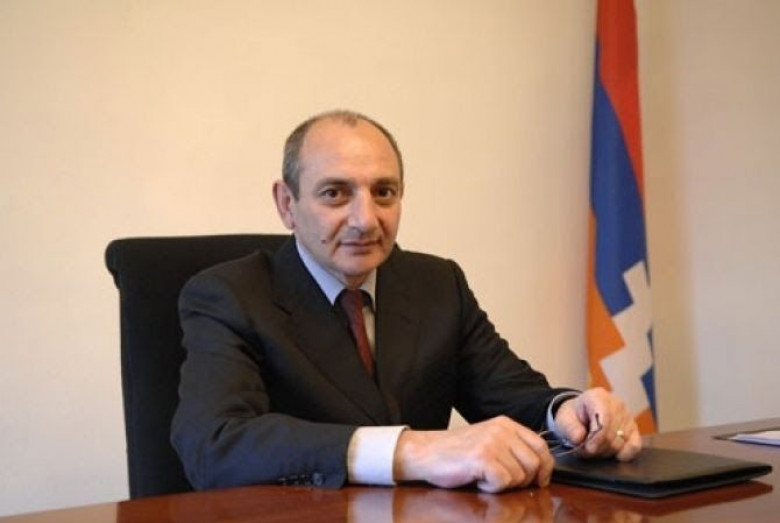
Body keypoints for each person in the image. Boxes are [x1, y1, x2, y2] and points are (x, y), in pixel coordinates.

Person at [171, 109, 641, 494]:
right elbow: (215, 444)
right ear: (286, 204)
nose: (365, 219)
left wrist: (569, 414)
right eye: (335, 194)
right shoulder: (230, 294)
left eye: (383, 193)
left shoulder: (437, 284)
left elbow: (511, 394)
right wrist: (413, 450)